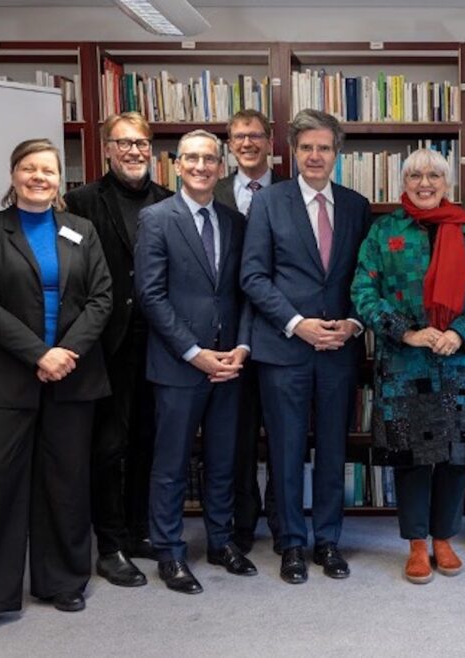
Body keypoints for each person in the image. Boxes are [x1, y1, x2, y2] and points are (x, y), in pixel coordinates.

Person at [0, 139, 112, 643]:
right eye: (30, 168)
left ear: (58, 180)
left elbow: (101, 298)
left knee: (65, 481)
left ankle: (63, 581)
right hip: (7, 378)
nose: (40, 177)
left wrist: (65, 352)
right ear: (14, 174)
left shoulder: (81, 231)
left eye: (48, 170)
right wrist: (38, 354)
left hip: (73, 374)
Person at [351, 148, 465, 584]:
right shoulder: (384, 231)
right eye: (415, 175)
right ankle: (417, 543)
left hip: (458, 361)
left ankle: (444, 538)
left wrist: (461, 332)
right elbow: (363, 291)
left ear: (447, 182)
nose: (424, 182)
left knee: (456, 455)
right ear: (404, 181)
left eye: (434, 175)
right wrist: (406, 332)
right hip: (405, 363)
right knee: (412, 456)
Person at [240, 109, 370, 584]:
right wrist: (298, 324)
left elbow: (367, 277)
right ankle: (292, 542)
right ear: (294, 153)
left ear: (338, 153)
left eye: (324, 147)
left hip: (339, 350)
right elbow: (253, 276)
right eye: (307, 147)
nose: (315, 156)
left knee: (334, 449)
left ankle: (329, 540)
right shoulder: (269, 203)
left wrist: (354, 323)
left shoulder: (357, 206)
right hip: (284, 349)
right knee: (287, 449)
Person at [134, 130, 256, 594]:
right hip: (179, 364)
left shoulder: (234, 220)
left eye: (209, 158)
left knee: (224, 459)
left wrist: (241, 348)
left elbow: (244, 290)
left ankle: (221, 541)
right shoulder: (157, 218)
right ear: (177, 164)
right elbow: (150, 295)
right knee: (172, 463)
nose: (202, 166)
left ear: (220, 164)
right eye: (192, 158)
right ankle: (169, 551)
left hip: (229, 363)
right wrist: (194, 352)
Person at [65, 111, 173, 587]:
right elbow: (71, 276)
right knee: (108, 445)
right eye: (124, 143)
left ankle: (137, 530)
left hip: (159, 342)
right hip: (104, 343)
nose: (134, 151)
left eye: (142, 143)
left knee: (149, 440)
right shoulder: (80, 201)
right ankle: (108, 544)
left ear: (152, 150)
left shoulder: (170, 202)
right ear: (108, 148)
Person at [214, 109, 286, 555]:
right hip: (226, 334)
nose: (247, 143)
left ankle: (282, 520)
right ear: (229, 142)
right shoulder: (213, 191)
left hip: (280, 328)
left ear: (270, 140)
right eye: (239, 136)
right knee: (237, 435)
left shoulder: (290, 190)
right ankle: (242, 522)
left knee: (283, 434)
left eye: (256, 135)